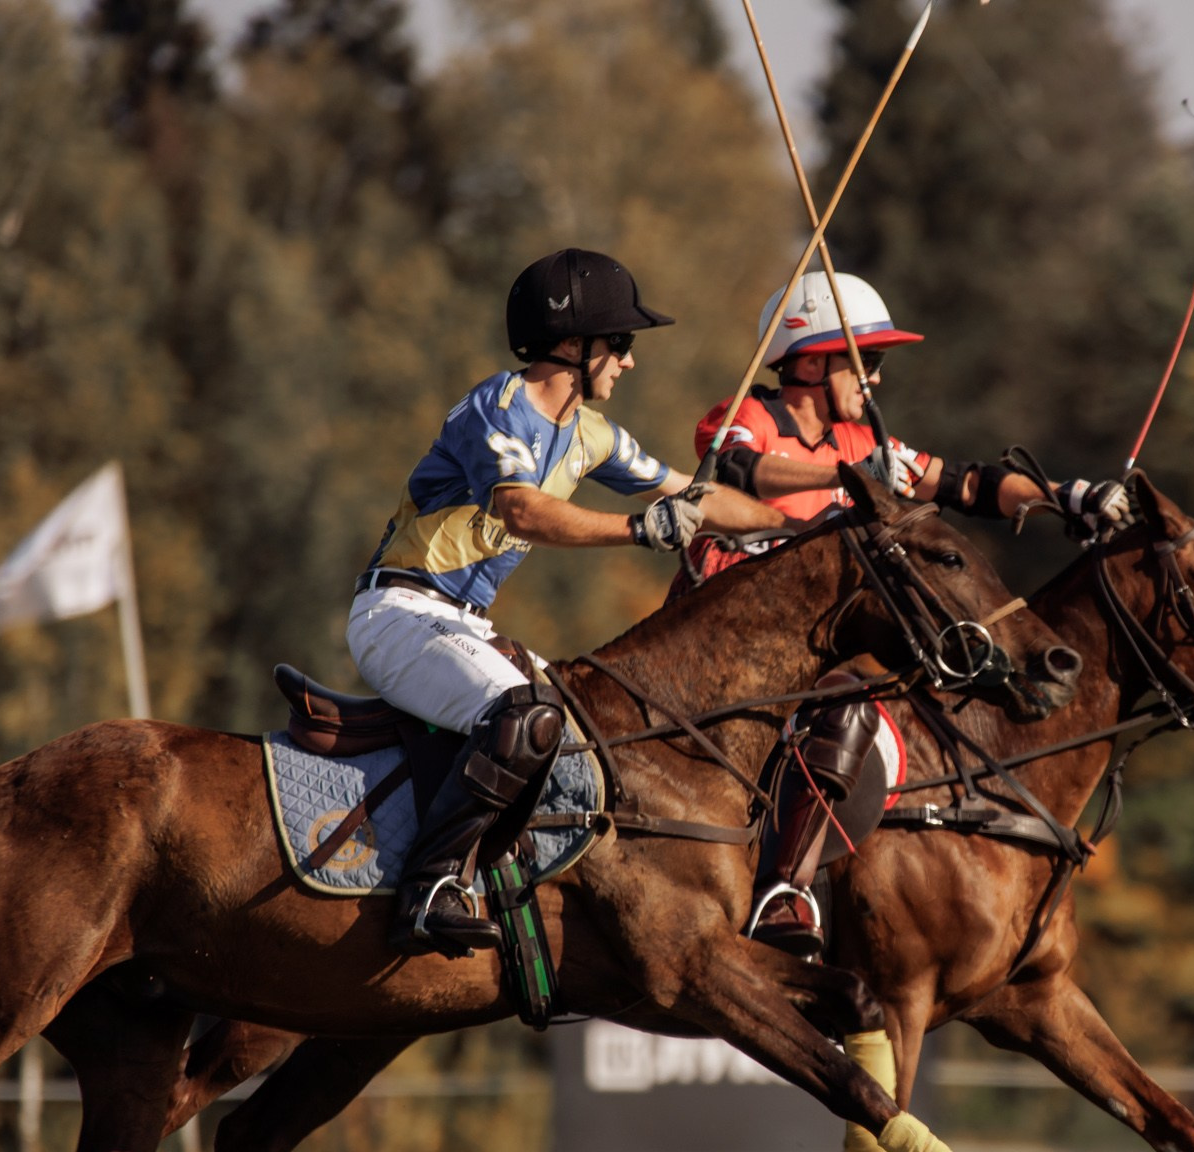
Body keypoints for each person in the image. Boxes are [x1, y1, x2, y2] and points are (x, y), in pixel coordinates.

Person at [353, 247, 785, 957]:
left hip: (464, 626)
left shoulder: (590, 435)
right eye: (620, 343)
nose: (629, 360)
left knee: (589, 730)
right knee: (527, 717)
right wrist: (638, 530)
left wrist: (801, 524)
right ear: (571, 344)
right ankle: (430, 886)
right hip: (398, 614)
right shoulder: (495, 409)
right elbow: (521, 511)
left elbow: (690, 494)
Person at [689, 271, 1133, 955]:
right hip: (717, 641)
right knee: (848, 696)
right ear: (810, 359)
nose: (877, 380)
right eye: (867, 360)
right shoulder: (746, 416)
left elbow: (969, 483)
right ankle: (784, 888)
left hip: (808, 651)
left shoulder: (863, 443)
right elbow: (741, 474)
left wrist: (1065, 496)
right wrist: (853, 480)